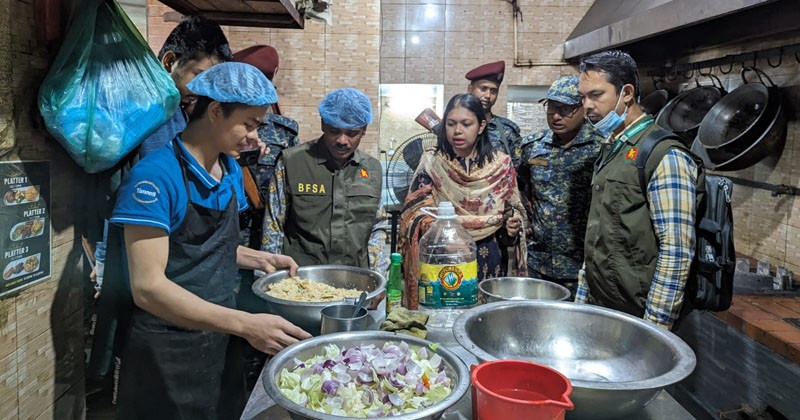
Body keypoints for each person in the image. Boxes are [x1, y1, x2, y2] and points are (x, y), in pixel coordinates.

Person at [110, 62, 311, 419]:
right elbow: (148, 286)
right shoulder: (155, 177)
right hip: (166, 348)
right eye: (248, 125)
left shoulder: (228, 168)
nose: (255, 137)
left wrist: (258, 258)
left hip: (218, 338)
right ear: (216, 112)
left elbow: (202, 245)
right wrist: (245, 324)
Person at [576, 50, 698, 330]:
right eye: (583, 97)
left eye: (596, 95)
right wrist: (582, 304)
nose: (587, 106)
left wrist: (654, 329)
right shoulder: (613, 148)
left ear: (627, 93)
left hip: (638, 319)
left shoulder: (664, 155)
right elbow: (598, 235)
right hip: (603, 309)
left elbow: (676, 251)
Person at [398, 93, 526, 310]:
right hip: (441, 255)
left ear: (481, 125)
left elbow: (512, 214)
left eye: (466, 124)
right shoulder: (432, 162)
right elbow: (414, 215)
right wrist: (444, 231)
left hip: (489, 257)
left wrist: (511, 228)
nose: (457, 131)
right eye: (451, 124)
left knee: (483, 322)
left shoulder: (501, 165)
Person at [230, 45, 301, 394]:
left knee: (260, 322)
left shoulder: (283, 132)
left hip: (259, 240)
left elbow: (282, 200)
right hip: (231, 239)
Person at [262, 88, 388, 273]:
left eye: (352, 133)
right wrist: (267, 277)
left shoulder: (372, 169)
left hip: (354, 279)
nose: (342, 140)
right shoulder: (292, 162)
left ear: (364, 130)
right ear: (323, 124)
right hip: (300, 280)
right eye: (334, 131)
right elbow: (273, 224)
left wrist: (379, 275)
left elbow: (377, 225)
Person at [516, 75, 604, 293]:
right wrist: (526, 220)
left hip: (585, 268)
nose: (556, 115)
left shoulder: (602, 147)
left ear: (583, 107)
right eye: (551, 107)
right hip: (539, 264)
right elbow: (520, 186)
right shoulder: (533, 147)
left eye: (565, 109)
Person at [465, 61, 522, 166]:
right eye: (483, 89)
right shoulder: (455, 126)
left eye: (493, 91)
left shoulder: (507, 130)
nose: (488, 95)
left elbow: (516, 170)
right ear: (470, 89)